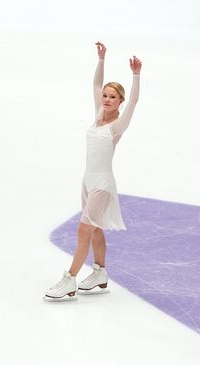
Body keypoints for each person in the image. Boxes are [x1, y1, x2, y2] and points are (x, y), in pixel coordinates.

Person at [45, 42, 142, 300]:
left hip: (102, 185)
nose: (107, 99)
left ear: (119, 102)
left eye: (113, 97)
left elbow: (134, 101)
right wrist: (101, 59)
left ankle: (69, 280)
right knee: (96, 229)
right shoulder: (98, 114)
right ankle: (100, 272)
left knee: (84, 230)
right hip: (87, 181)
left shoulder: (118, 126)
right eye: (106, 95)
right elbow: (95, 86)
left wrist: (136, 75)